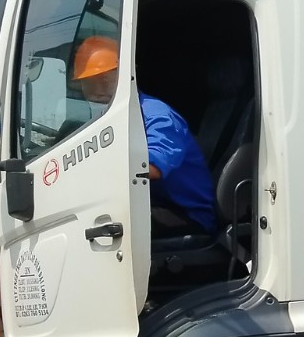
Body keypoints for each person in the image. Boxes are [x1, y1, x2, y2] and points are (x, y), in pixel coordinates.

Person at [69, 36, 219, 234]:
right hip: (153, 203)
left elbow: (152, 168)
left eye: (105, 79)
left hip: (188, 215)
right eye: (89, 82)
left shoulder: (156, 114)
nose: (97, 89)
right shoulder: (110, 119)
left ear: (124, 76)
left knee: (106, 228)